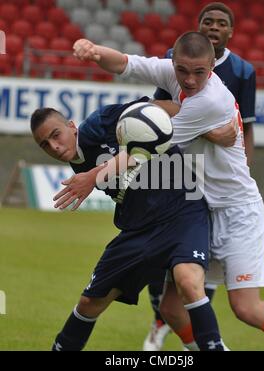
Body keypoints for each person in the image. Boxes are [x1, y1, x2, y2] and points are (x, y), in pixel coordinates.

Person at [72, 32, 264, 350]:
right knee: (172, 309)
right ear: (174, 63)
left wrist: (91, 178)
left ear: (212, 67)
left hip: (236, 211)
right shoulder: (174, 73)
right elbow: (127, 63)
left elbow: (142, 148)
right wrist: (96, 51)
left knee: (246, 308)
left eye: (199, 72)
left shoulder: (210, 101)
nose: (190, 80)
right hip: (198, 211)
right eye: (182, 70)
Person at [31, 98, 232, 351]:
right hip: (137, 228)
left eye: (56, 135)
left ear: (72, 126)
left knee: (188, 282)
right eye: (45, 144)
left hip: (180, 210)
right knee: (89, 304)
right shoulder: (78, 160)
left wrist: (209, 129)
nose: (54, 146)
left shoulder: (100, 123)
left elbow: (157, 109)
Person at [146, 1, 257, 349]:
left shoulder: (242, 71)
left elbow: (243, 128)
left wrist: (244, 167)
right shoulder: (175, 58)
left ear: (230, 32)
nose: (213, 26)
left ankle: (196, 339)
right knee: (164, 265)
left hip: (220, 180)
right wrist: (208, 131)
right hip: (176, 171)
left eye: (221, 23)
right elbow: (159, 114)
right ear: (197, 27)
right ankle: (160, 325)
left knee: (195, 270)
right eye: (207, 21)